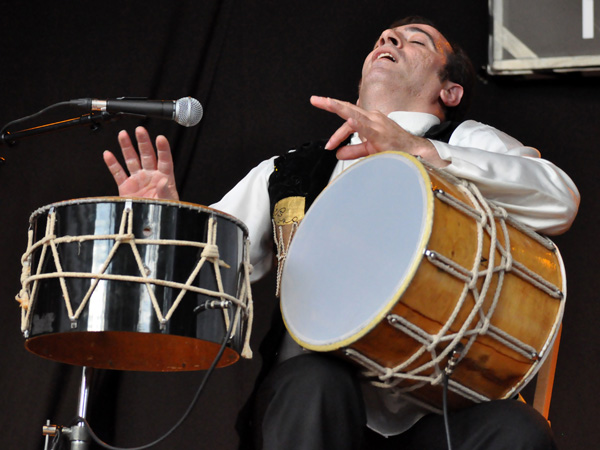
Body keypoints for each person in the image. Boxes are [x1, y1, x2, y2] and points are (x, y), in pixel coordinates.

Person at [103, 16, 579, 450]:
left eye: (416, 40)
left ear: (449, 91)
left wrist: (417, 149)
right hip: (315, 408)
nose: (389, 39)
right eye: (384, 37)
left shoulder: (467, 141)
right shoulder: (289, 172)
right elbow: (205, 276)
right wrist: (162, 224)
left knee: (519, 430)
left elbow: (559, 199)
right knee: (315, 381)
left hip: (439, 415)